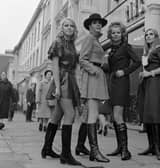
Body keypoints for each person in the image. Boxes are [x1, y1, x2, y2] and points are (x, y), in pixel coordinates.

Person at [41, 17, 81, 166]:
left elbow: (75, 68)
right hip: (62, 81)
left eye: (71, 25)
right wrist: (57, 87)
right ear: (61, 28)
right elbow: (55, 67)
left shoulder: (71, 45)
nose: (69, 27)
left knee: (57, 116)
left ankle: (47, 148)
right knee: (70, 114)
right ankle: (65, 155)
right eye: (66, 25)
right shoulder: (57, 43)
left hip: (70, 80)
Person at [106, 22, 141, 160]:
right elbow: (110, 67)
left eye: (118, 32)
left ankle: (125, 150)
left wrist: (125, 71)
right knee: (115, 116)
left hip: (121, 82)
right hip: (113, 83)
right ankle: (119, 147)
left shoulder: (126, 47)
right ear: (110, 34)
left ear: (122, 34)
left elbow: (137, 62)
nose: (115, 34)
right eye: (113, 32)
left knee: (118, 115)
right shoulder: (112, 49)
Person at [79, 13, 110, 163]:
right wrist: (94, 70)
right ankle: (95, 151)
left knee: (94, 113)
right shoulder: (90, 38)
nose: (98, 25)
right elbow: (82, 59)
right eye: (95, 23)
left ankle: (93, 151)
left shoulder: (96, 40)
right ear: (89, 25)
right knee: (93, 114)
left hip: (97, 77)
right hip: (92, 77)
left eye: (100, 23)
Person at [137, 28, 160, 160]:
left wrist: (150, 73)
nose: (148, 36)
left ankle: (158, 147)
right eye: (146, 35)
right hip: (146, 84)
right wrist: (143, 74)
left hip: (155, 82)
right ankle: (151, 146)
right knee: (147, 114)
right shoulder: (147, 51)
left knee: (154, 114)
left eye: (151, 34)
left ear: (156, 36)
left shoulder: (158, 48)